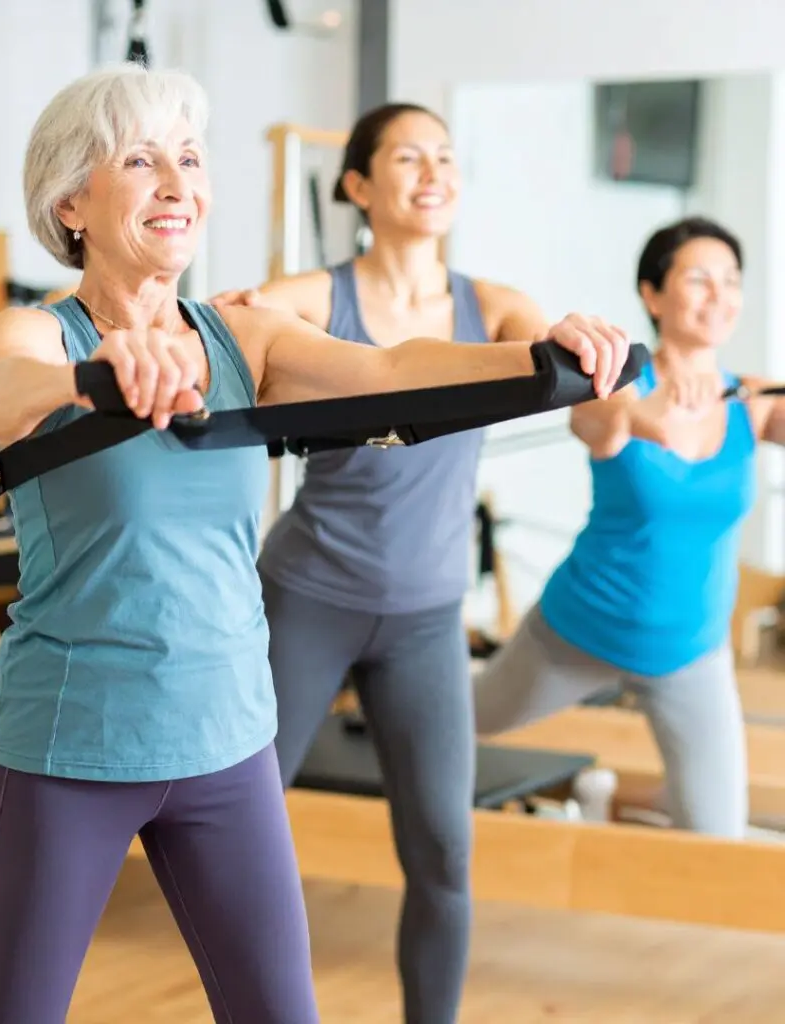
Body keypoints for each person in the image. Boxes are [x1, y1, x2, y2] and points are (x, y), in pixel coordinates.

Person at [0, 67, 630, 1024]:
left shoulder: (244, 337)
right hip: (74, 743)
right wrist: (92, 376)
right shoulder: (36, 332)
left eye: (188, 160)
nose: (176, 184)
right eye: (140, 161)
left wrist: (543, 361)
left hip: (228, 737)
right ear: (71, 200)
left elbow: (393, 370)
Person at [210, 101, 630, 1024]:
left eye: (445, 157)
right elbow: (227, 322)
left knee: (443, 851)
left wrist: (592, 355)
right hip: (307, 594)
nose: (433, 173)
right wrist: (229, 316)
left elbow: (565, 361)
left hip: (428, 620)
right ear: (359, 184)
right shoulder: (322, 295)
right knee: (241, 830)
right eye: (408, 157)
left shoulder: (494, 306)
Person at [475, 215, 785, 840]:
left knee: (718, 838)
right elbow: (598, 423)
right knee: (463, 718)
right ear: (652, 293)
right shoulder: (614, 382)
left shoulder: (752, 400)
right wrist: (648, 412)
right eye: (699, 278)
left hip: (691, 655)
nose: (719, 295)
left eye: (731, 280)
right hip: (579, 630)